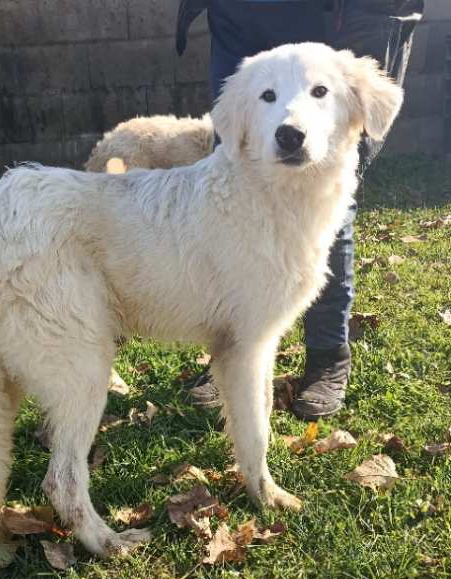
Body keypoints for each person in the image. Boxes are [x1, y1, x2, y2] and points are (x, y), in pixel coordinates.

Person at [176, 0, 422, 420]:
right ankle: (234, 348)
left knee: (325, 187)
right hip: (240, 14)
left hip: (342, 14)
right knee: (233, 180)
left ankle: (327, 354)